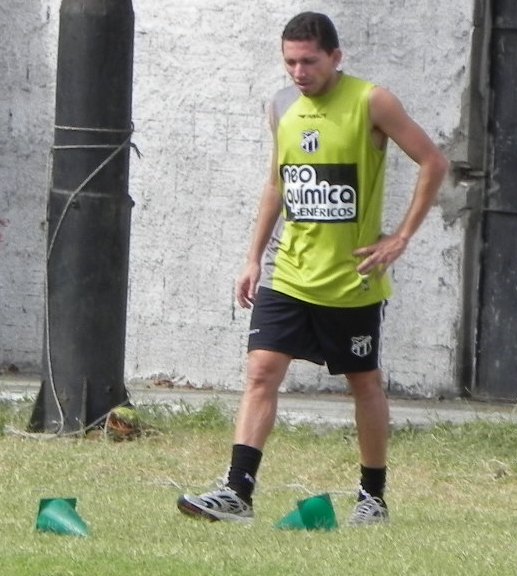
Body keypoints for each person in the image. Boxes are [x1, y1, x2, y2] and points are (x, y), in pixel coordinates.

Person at [176, 11, 448, 526]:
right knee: (261, 371)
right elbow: (277, 183)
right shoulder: (281, 106)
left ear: (336, 57)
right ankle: (238, 493)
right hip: (289, 272)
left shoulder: (373, 101)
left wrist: (401, 236)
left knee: (363, 383)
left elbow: (433, 162)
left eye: (309, 61)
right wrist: (253, 257)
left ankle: (372, 497)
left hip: (352, 279)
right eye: (290, 63)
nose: (299, 72)